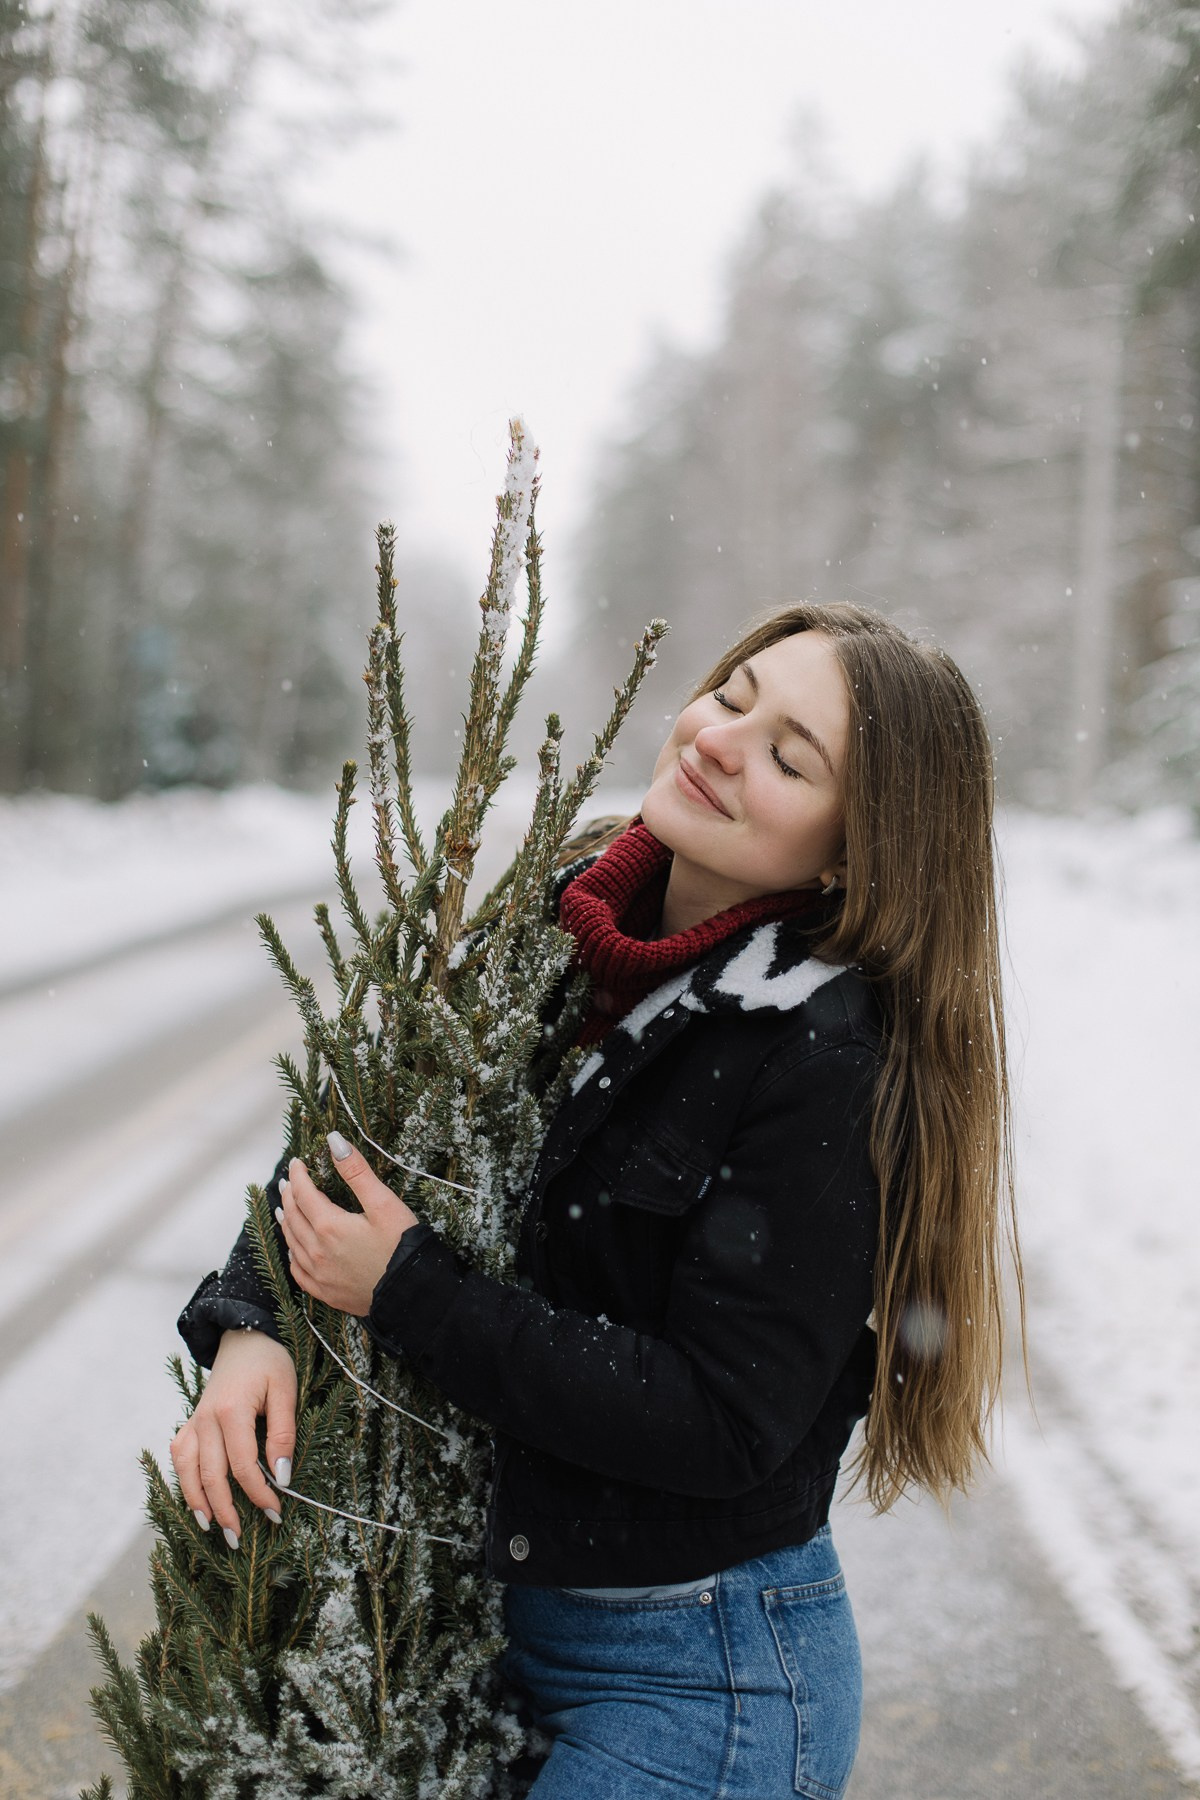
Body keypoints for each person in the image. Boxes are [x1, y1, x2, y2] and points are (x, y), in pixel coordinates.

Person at [171, 601, 1022, 1799]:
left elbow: (722, 1420)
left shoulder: (824, 1060)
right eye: (733, 697)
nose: (724, 742)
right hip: (479, 1633)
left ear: (853, 850)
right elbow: (375, 1128)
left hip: (694, 1682)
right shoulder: (552, 924)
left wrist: (411, 1290)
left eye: (790, 757)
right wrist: (256, 1318)